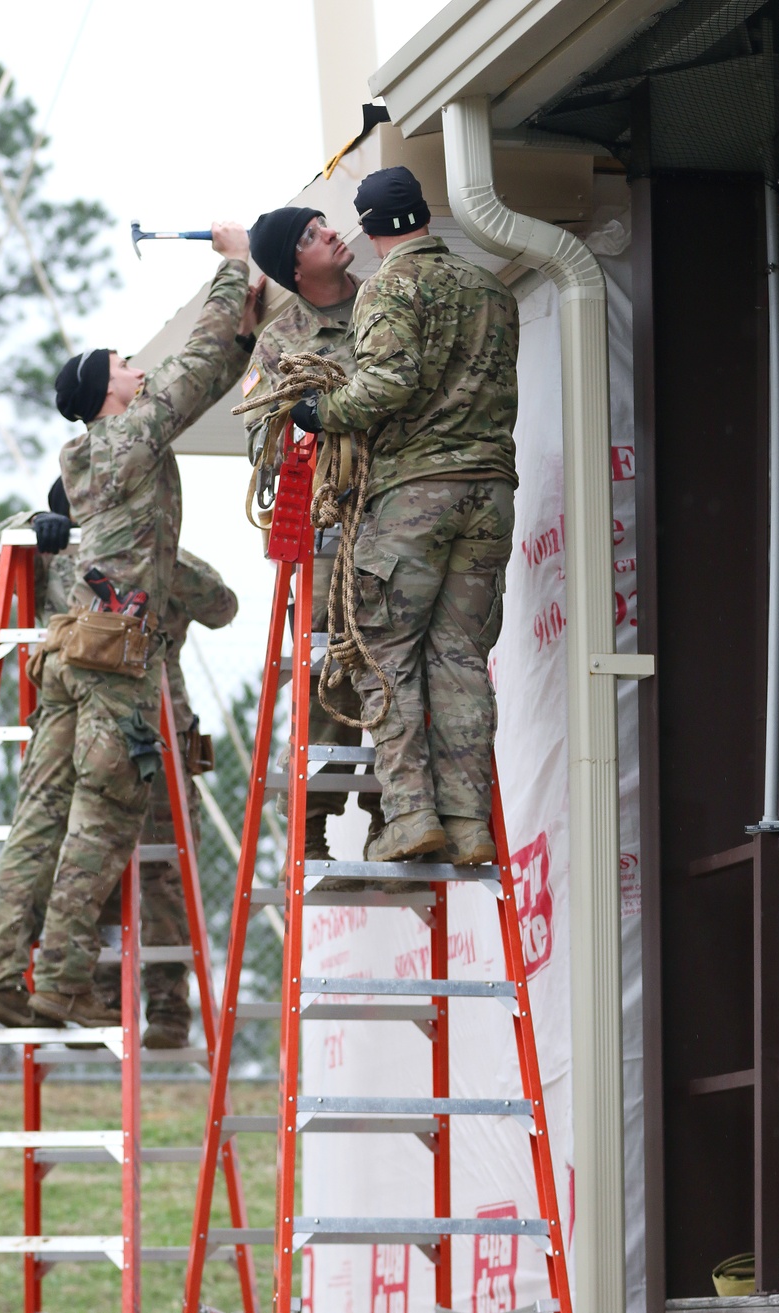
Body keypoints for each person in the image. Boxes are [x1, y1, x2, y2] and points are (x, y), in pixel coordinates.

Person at [0, 220, 261, 1028]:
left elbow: (205, 373)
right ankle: (61, 981)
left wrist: (247, 331)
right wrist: (233, 269)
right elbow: (193, 371)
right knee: (100, 826)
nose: (139, 369)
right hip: (117, 667)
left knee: (39, 824)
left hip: (70, 661)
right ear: (106, 395)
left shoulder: (97, 453)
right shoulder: (128, 436)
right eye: (126, 365)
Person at [292, 167, 519, 866]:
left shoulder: (389, 287)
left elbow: (388, 383)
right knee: (459, 658)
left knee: (382, 656)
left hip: (415, 495)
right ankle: (468, 821)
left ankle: (410, 815)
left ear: (370, 227)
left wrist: (317, 412)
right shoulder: (490, 288)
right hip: (489, 491)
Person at [242, 207, 384, 860]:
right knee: (331, 669)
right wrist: (302, 427)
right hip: (329, 525)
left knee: (397, 664)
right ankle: (316, 820)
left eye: (327, 225)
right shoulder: (281, 343)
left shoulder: (388, 302)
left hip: (398, 513)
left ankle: (394, 812)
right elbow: (260, 443)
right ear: (294, 267)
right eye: (312, 233)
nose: (333, 233)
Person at [93, 548, 238, 1047]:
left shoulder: (164, 556)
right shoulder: (74, 552)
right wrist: (33, 524)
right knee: (92, 868)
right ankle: (102, 999)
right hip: (93, 733)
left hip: (161, 740)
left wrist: (163, 554)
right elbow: (1, 553)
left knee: (164, 878)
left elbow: (222, 606)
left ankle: (169, 1008)